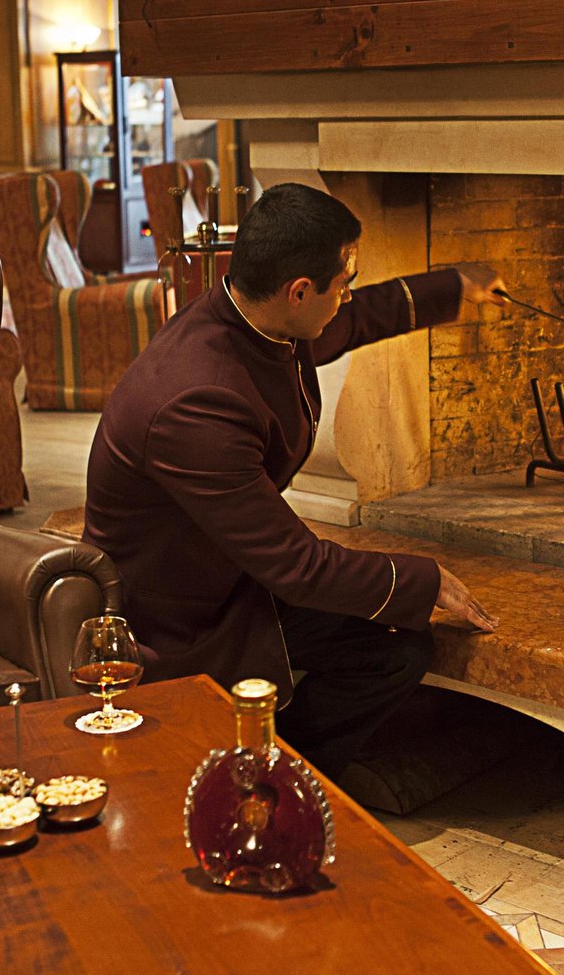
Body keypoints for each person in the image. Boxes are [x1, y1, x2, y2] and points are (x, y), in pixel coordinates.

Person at [83, 182, 504, 775]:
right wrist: (423, 579)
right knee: (390, 652)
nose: (348, 295)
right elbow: (297, 567)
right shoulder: (197, 401)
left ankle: (292, 760)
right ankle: (277, 777)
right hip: (185, 616)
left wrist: (451, 288)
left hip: (234, 574)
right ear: (299, 291)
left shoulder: (252, 313)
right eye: (343, 283)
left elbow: (346, 324)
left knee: (397, 645)